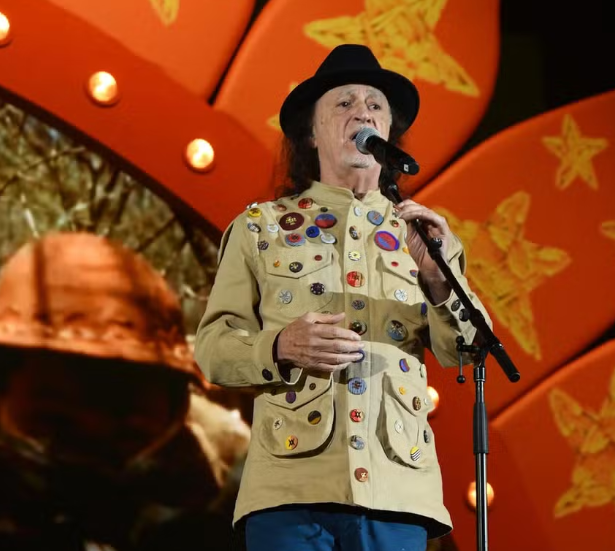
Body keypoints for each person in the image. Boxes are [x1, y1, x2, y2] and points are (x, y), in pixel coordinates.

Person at [194, 44, 492, 551]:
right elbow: (213, 349)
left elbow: (471, 351)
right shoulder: (260, 228)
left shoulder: (423, 235)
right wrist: (279, 346)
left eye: (375, 106)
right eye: (344, 103)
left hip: (398, 491)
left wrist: (439, 280)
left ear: (388, 133)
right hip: (290, 491)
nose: (363, 113)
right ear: (311, 133)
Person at [0, 232, 247, 551]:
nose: (90, 462)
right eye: (56, 425)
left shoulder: (223, 483)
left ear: (174, 418)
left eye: (128, 436)